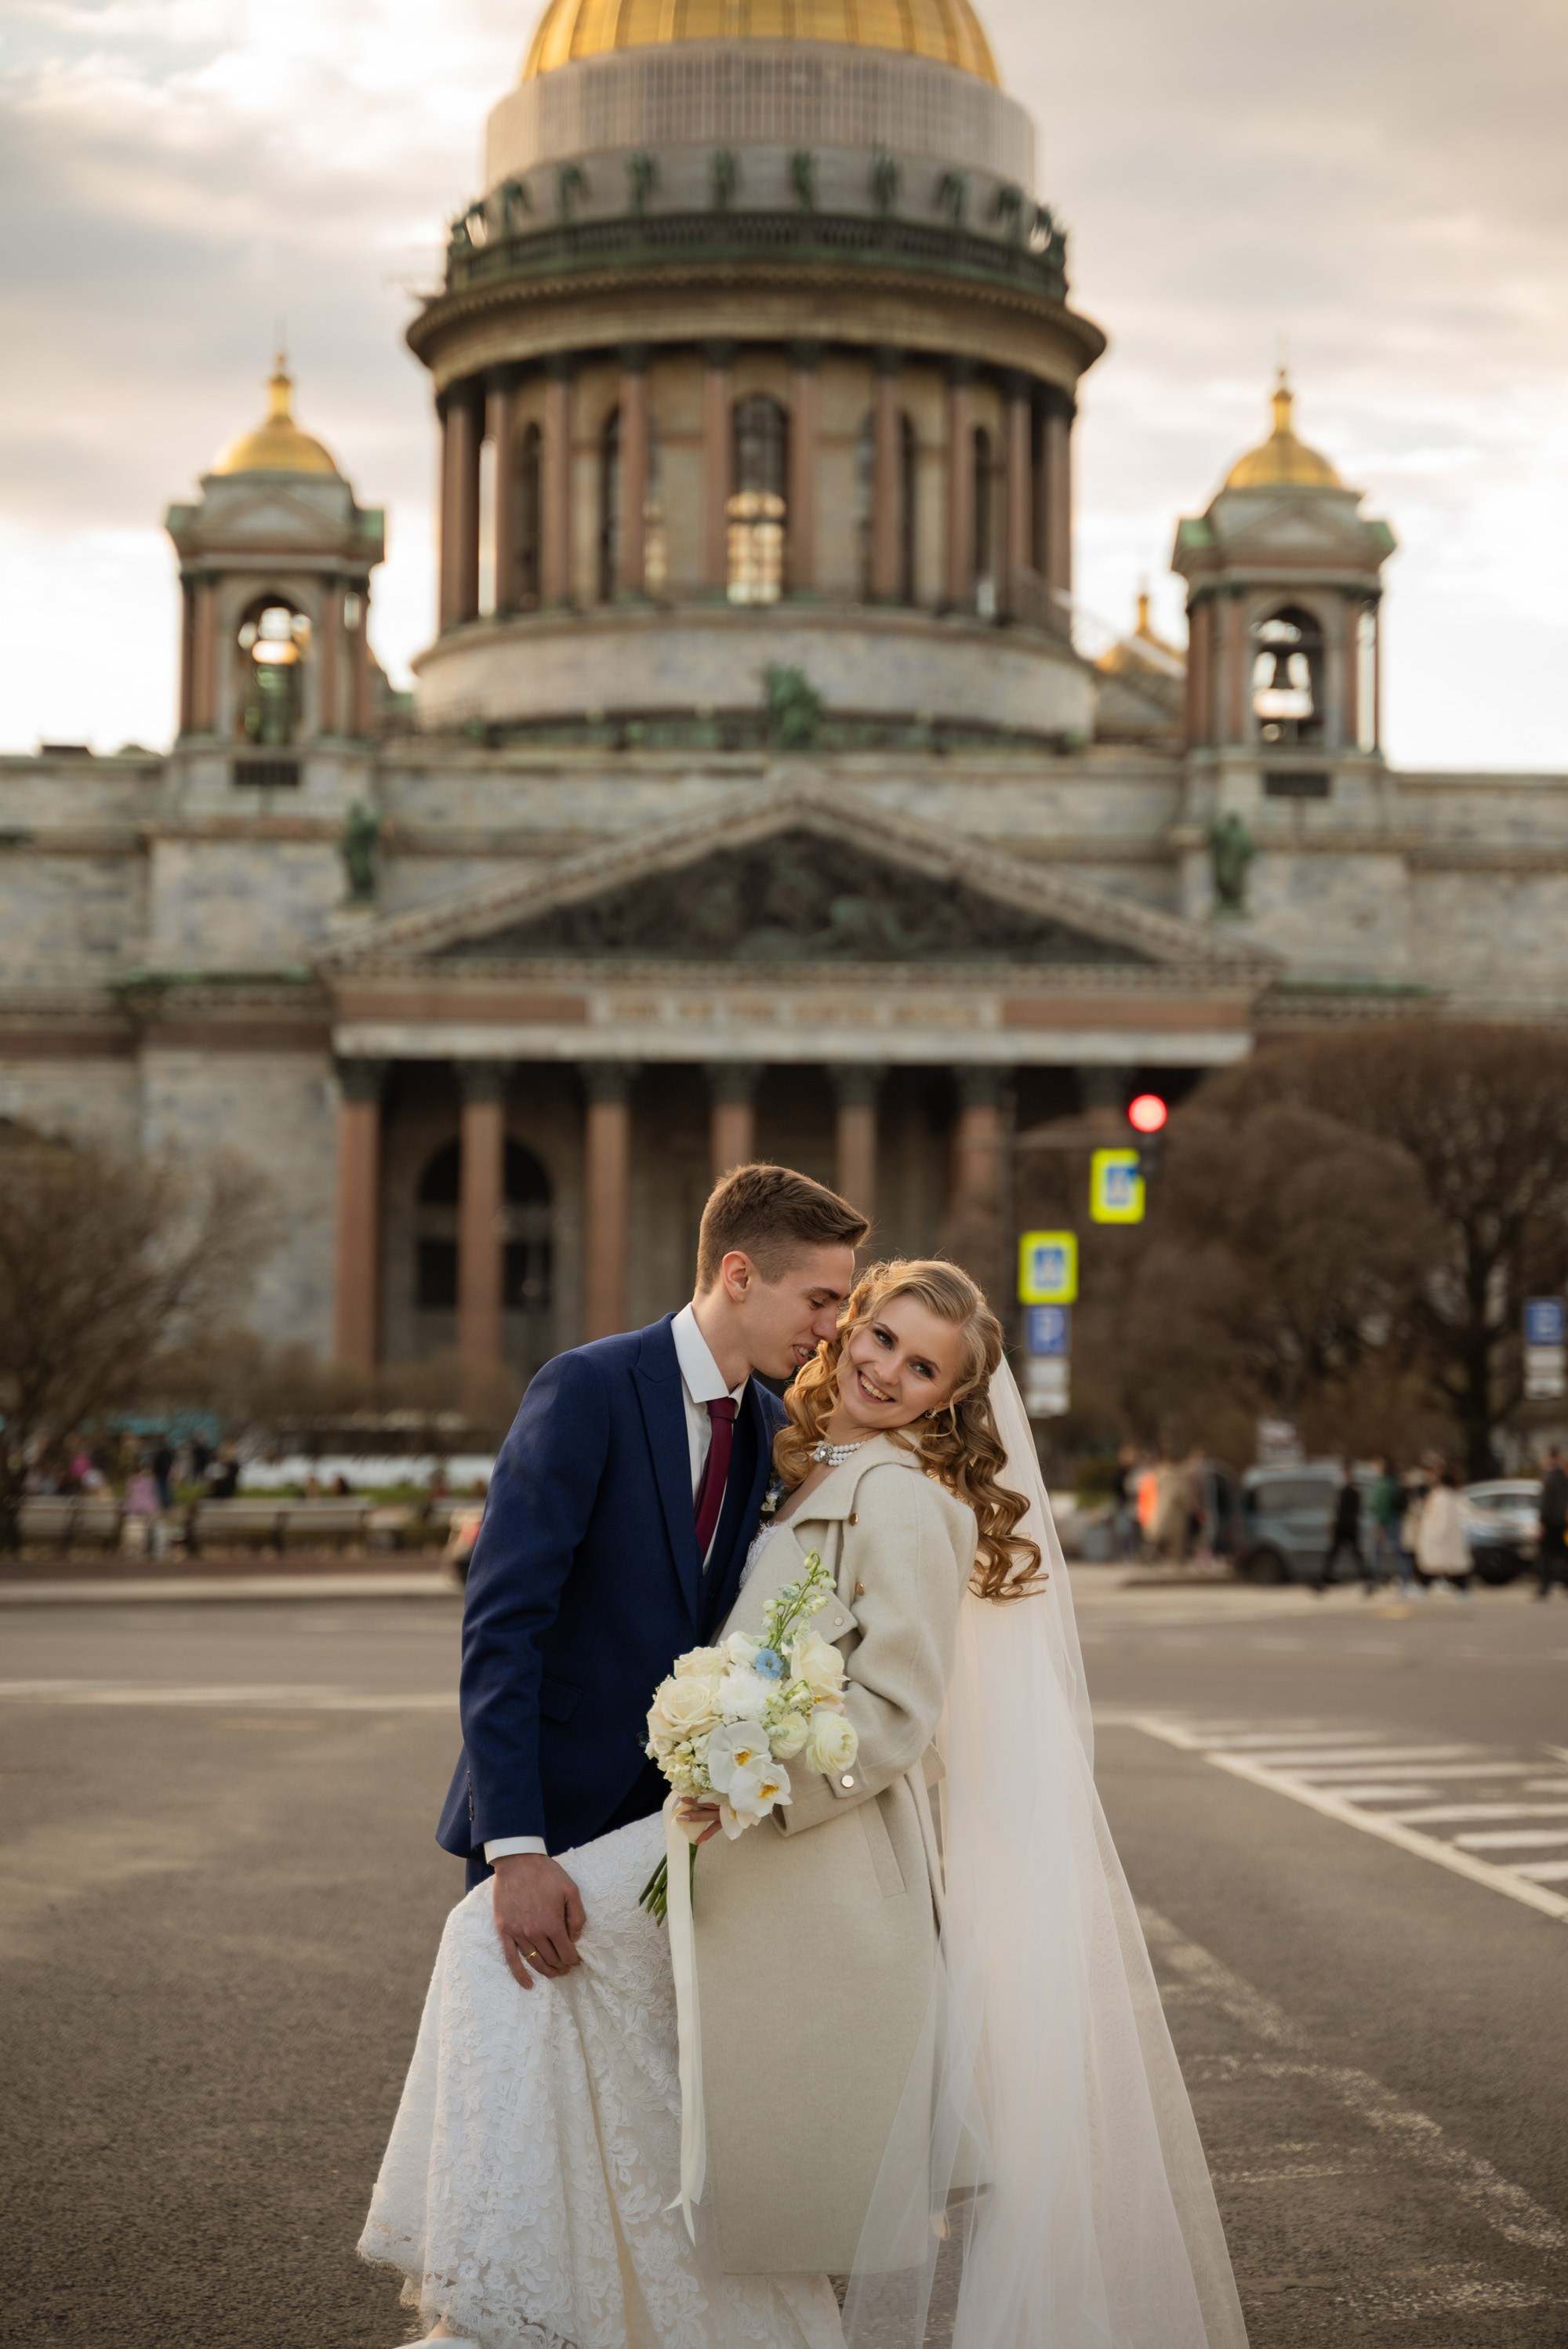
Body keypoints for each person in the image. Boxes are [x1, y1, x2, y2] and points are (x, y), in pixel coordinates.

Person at [361, 1251, 1249, 2349]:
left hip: (791, 1848)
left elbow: (896, 1715)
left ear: (949, 1400)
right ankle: (594, 2304)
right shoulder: (800, 1454)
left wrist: (756, 1780)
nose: (886, 1370)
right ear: (854, 1323)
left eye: (923, 1369)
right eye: (879, 1337)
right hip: (716, 1832)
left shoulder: (914, 1504)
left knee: (495, 1956)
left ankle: (519, 2303)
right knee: (605, 2054)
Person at [1414, 1464, 1472, 1597]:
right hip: (1445, 1537)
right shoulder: (1447, 1495)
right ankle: (1425, 1587)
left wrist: (1437, 1534)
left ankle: (1461, 1589)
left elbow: (1443, 1518)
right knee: (1439, 1565)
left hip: (1440, 1537)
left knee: (1438, 1564)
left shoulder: (1443, 1496)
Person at [1314, 1460, 1367, 1594]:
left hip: (1345, 1527)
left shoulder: (1348, 1492)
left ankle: (1366, 1579)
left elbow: (1341, 1511)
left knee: (1340, 1554)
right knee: (1338, 1554)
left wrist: (1335, 1524)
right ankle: (1325, 1579)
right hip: (1348, 1527)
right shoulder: (1350, 1492)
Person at [1535, 1447, 1568, 1599]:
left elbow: (1546, 1503)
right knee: (1563, 1554)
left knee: (1546, 1556)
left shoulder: (1551, 1479)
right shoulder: (1563, 1478)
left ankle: (1545, 1586)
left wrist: (1541, 1522)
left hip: (1552, 1522)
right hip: (1564, 1522)